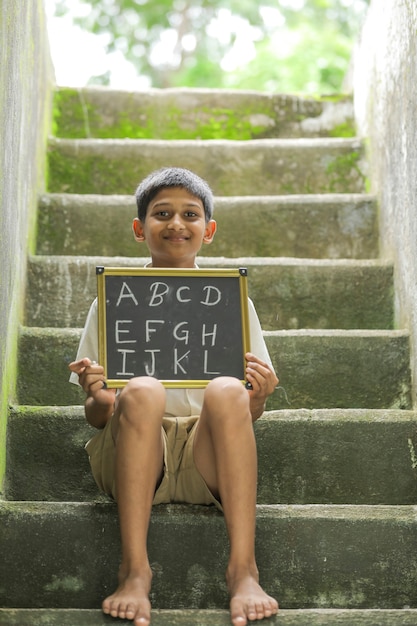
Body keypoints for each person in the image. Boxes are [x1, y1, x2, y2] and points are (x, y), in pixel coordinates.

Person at [69, 167, 279, 626]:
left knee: (226, 388)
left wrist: (258, 397)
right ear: (140, 229)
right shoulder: (113, 299)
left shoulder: (233, 302)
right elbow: (97, 415)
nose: (177, 224)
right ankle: (134, 570)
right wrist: (100, 396)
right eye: (162, 214)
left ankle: (243, 570)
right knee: (142, 389)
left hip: (208, 460)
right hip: (139, 453)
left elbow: (246, 411)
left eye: (190, 214)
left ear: (209, 230)